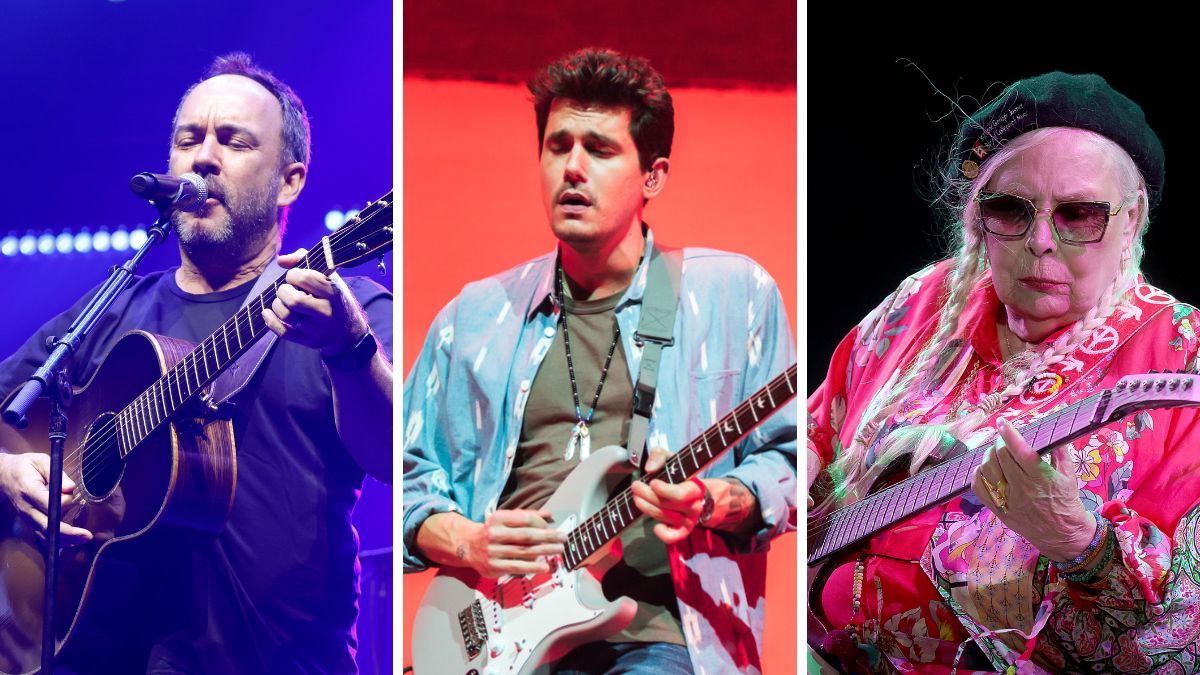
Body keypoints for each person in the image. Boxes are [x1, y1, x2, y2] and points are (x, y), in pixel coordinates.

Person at [402, 48, 796, 674]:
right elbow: (402, 476)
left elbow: (793, 461)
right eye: (558, 146)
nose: (573, 169)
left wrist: (713, 499)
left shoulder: (735, 295)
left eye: (600, 150)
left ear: (653, 176)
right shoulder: (473, 316)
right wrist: (468, 541)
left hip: (659, 635)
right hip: (491, 641)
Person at [0, 53, 393, 673]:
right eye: (189, 139)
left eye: (233, 142)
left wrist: (350, 347)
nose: (204, 157)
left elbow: (397, 457)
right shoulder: (117, 305)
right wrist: (6, 471)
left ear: (290, 181)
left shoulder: (346, 308)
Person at [807, 72, 1200, 673]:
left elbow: (1184, 637)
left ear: (1132, 217)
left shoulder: (1182, 355)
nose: (1041, 240)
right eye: (1010, 210)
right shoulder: (923, 303)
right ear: (977, 218)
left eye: (1078, 214)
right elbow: (815, 438)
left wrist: (1077, 541)